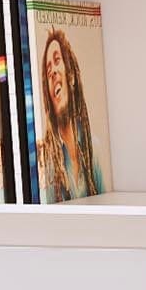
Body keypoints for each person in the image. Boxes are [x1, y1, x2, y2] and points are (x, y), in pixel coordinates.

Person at [36, 26, 102, 200]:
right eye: (48, 69)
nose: (52, 73)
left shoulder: (94, 149)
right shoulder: (47, 163)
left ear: (71, 76)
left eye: (57, 61)